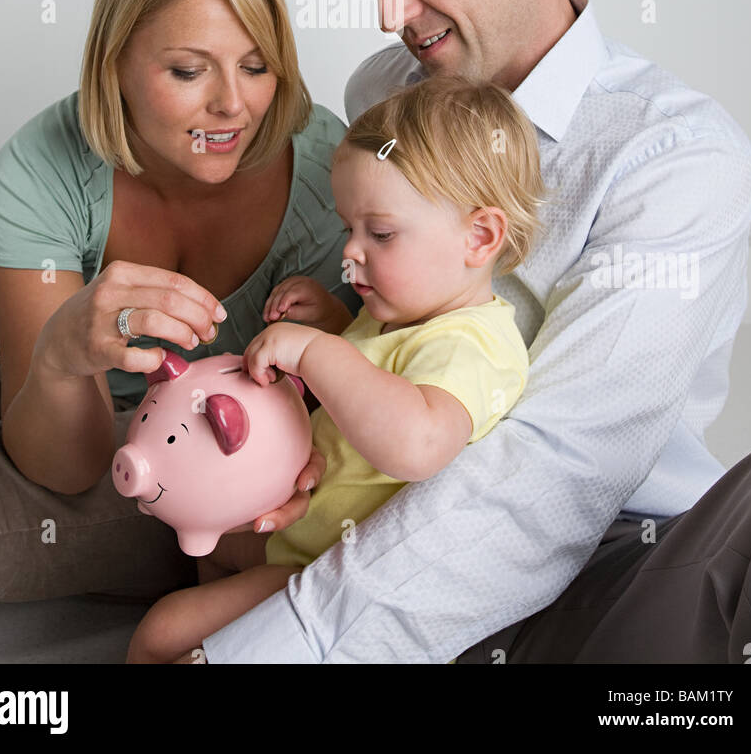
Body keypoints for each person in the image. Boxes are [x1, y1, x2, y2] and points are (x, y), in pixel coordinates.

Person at [195, 0, 751, 665]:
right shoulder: (382, 96)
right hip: (374, 516)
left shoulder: (675, 158)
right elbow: (385, 321)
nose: (391, 14)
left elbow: (557, 473)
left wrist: (275, 651)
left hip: (607, 548)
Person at [0, 0, 352, 620]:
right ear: (113, 61)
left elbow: (68, 476)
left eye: (256, 65)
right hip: (81, 415)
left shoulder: (329, 170)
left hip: (201, 480)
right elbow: (56, 441)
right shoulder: (40, 169)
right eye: (188, 70)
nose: (233, 105)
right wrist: (62, 357)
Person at [125, 75, 542, 664]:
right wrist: (328, 324)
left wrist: (315, 352)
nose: (350, 250)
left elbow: (416, 442)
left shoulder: (475, 343)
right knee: (200, 551)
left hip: (327, 572)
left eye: (381, 232)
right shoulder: (399, 316)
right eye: (350, 228)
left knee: (163, 633)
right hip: (296, 528)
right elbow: (359, 385)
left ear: (479, 236)